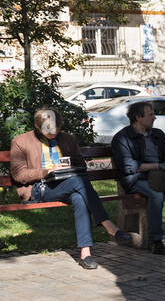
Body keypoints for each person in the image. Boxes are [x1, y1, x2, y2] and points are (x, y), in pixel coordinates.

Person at [8, 108, 136, 268]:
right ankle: (110, 227)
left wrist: (65, 166)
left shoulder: (67, 139)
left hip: (67, 183)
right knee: (78, 183)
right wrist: (47, 171)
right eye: (49, 132)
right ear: (37, 126)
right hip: (39, 189)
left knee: (79, 197)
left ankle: (85, 253)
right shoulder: (21, 142)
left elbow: (80, 164)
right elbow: (19, 174)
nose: (53, 135)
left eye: (56, 130)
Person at [110, 99, 165, 254]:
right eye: (151, 114)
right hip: (136, 180)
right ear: (138, 117)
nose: (155, 117)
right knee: (156, 195)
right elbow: (128, 167)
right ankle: (156, 240)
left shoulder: (158, 135)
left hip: (160, 176)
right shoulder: (122, 138)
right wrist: (157, 166)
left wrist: (164, 167)